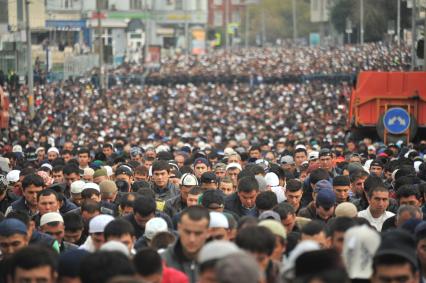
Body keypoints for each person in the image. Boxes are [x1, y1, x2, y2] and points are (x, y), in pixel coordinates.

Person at [161, 206, 210, 283]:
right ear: (179, 228)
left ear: (208, 232)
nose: (192, 239)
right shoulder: (162, 261)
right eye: (187, 232)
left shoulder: (219, 262)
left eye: (198, 233)